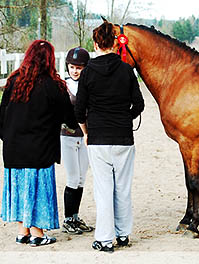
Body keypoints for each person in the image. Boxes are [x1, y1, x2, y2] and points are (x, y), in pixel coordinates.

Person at [0, 40, 78, 247]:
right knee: (37, 190)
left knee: (21, 188)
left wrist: (10, 138)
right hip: (40, 150)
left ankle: (23, 231)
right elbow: (69, 118)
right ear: (50, 60)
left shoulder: (14, 81)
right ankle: (37, 234)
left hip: (13, 149)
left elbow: (1, 121)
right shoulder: (53, 85)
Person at [75, 21, 144, 253]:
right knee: (123, 188)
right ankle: (123, 234)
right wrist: (126, 117)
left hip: (98, 138)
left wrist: (87, 130)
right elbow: (139, 104)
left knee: (104, 190)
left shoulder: (87, 73)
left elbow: (79, 110)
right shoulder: (127, 70)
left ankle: (105, 239)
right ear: (116, 43)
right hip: (123, 137)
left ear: (95, 44)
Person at [60, 47, 94, 234]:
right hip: (67, 136)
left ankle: (75, 216)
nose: (75, 71)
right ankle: (67, 219)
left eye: (79, 68)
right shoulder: (63, 85)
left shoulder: (89, 85)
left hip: (85, 137)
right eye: (72, 67)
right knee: (73, 177)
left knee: (81, 178)